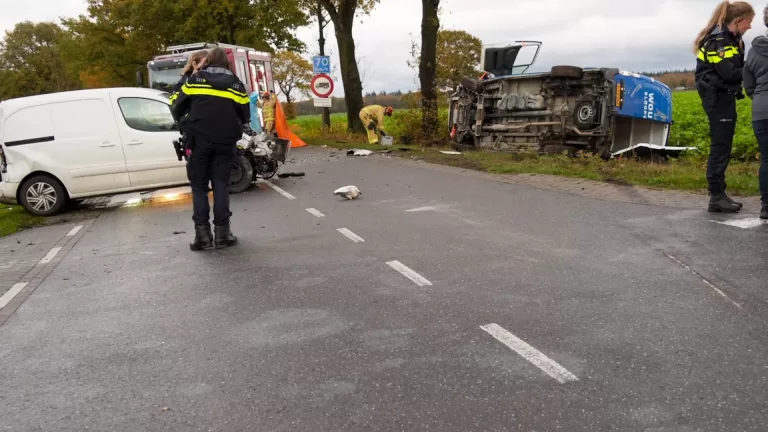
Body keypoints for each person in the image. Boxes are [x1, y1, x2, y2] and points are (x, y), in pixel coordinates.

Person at [171, 47, 251, 251]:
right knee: (221, 186)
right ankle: (223, 235)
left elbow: (176, 105)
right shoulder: (236, 84)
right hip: (225, 143)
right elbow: (245, 115)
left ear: (208, 61)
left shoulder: (195, 80)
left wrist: (185, 123)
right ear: (227, 63)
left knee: (199, 187)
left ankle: (203, 236)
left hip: (197, 141)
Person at [693, 0, 755, 213]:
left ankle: (720, 194)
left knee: (724, 147)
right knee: (720, 148)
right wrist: (755, 68)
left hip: (725, 97)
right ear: (738, 21)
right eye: (749, 21)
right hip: (717, 99)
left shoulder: (733, 40)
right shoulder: (719, 41)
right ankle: (716, 196)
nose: (750, 26)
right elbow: (729, 72)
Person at [743, 5, 768, 220]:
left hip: (761, 110)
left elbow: (748, 85)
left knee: (767, 160)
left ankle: (766, 206)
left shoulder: (754, 49)